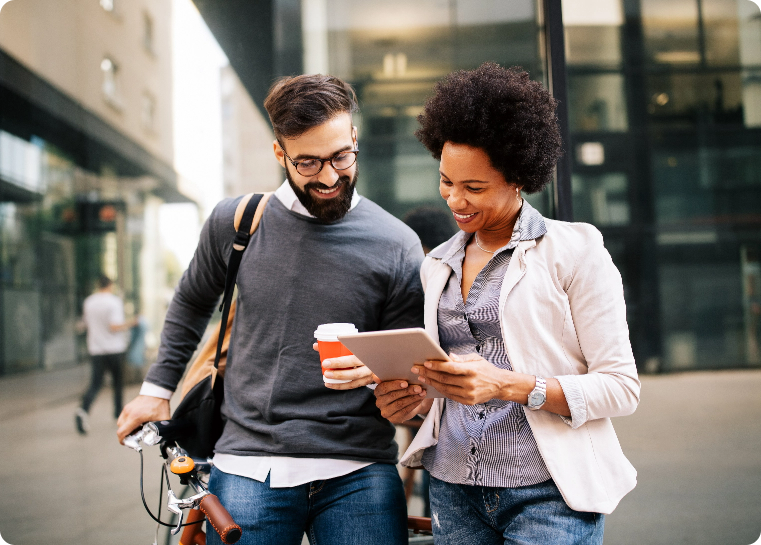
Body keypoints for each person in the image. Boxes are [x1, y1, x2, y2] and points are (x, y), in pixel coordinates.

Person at [116, 74, 425, 545]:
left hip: (359, 467)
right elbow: (192, 301)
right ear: (279, 154)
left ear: (354, 140)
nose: (328, 176)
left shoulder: (398, 244)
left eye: (341, 156)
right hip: (247, 464)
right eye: (308, 162)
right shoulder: (236, 222)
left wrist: (395, 384)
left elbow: (403, 365)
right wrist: (156, 389)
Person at [374, 63, 640, 545]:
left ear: (518, 177)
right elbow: (451, 384)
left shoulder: (574, 251)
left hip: (549, 493)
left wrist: (509, 386)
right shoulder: (438, 262)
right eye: (446, 181)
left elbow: (621, 388)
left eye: (474, 188)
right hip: (453, 487)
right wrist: (413, 400)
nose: (455, 200)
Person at [76, 275, 136, 435]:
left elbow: (83, 325)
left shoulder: (89, 302)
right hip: (114, 349)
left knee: (96, 383)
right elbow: (114, 326)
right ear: (110, 285)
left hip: (96, 349)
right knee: (117, 382)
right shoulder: (113, 302)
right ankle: (118, 415)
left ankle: (83, 410)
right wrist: (131, 323)